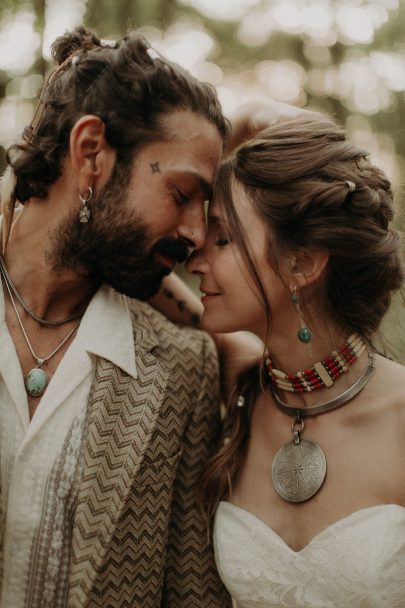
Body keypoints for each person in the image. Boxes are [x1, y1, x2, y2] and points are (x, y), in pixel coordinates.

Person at [0, 26, 233, 608]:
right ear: (91, 153)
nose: (196, 234)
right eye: (182, 195)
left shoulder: (185, 369)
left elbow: (191, 593)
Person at [159, 111, 405, 606]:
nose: (194, 255)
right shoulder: (237, 381)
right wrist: (234, 128)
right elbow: (134, 274)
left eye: (224, 238)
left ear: (302, 264)